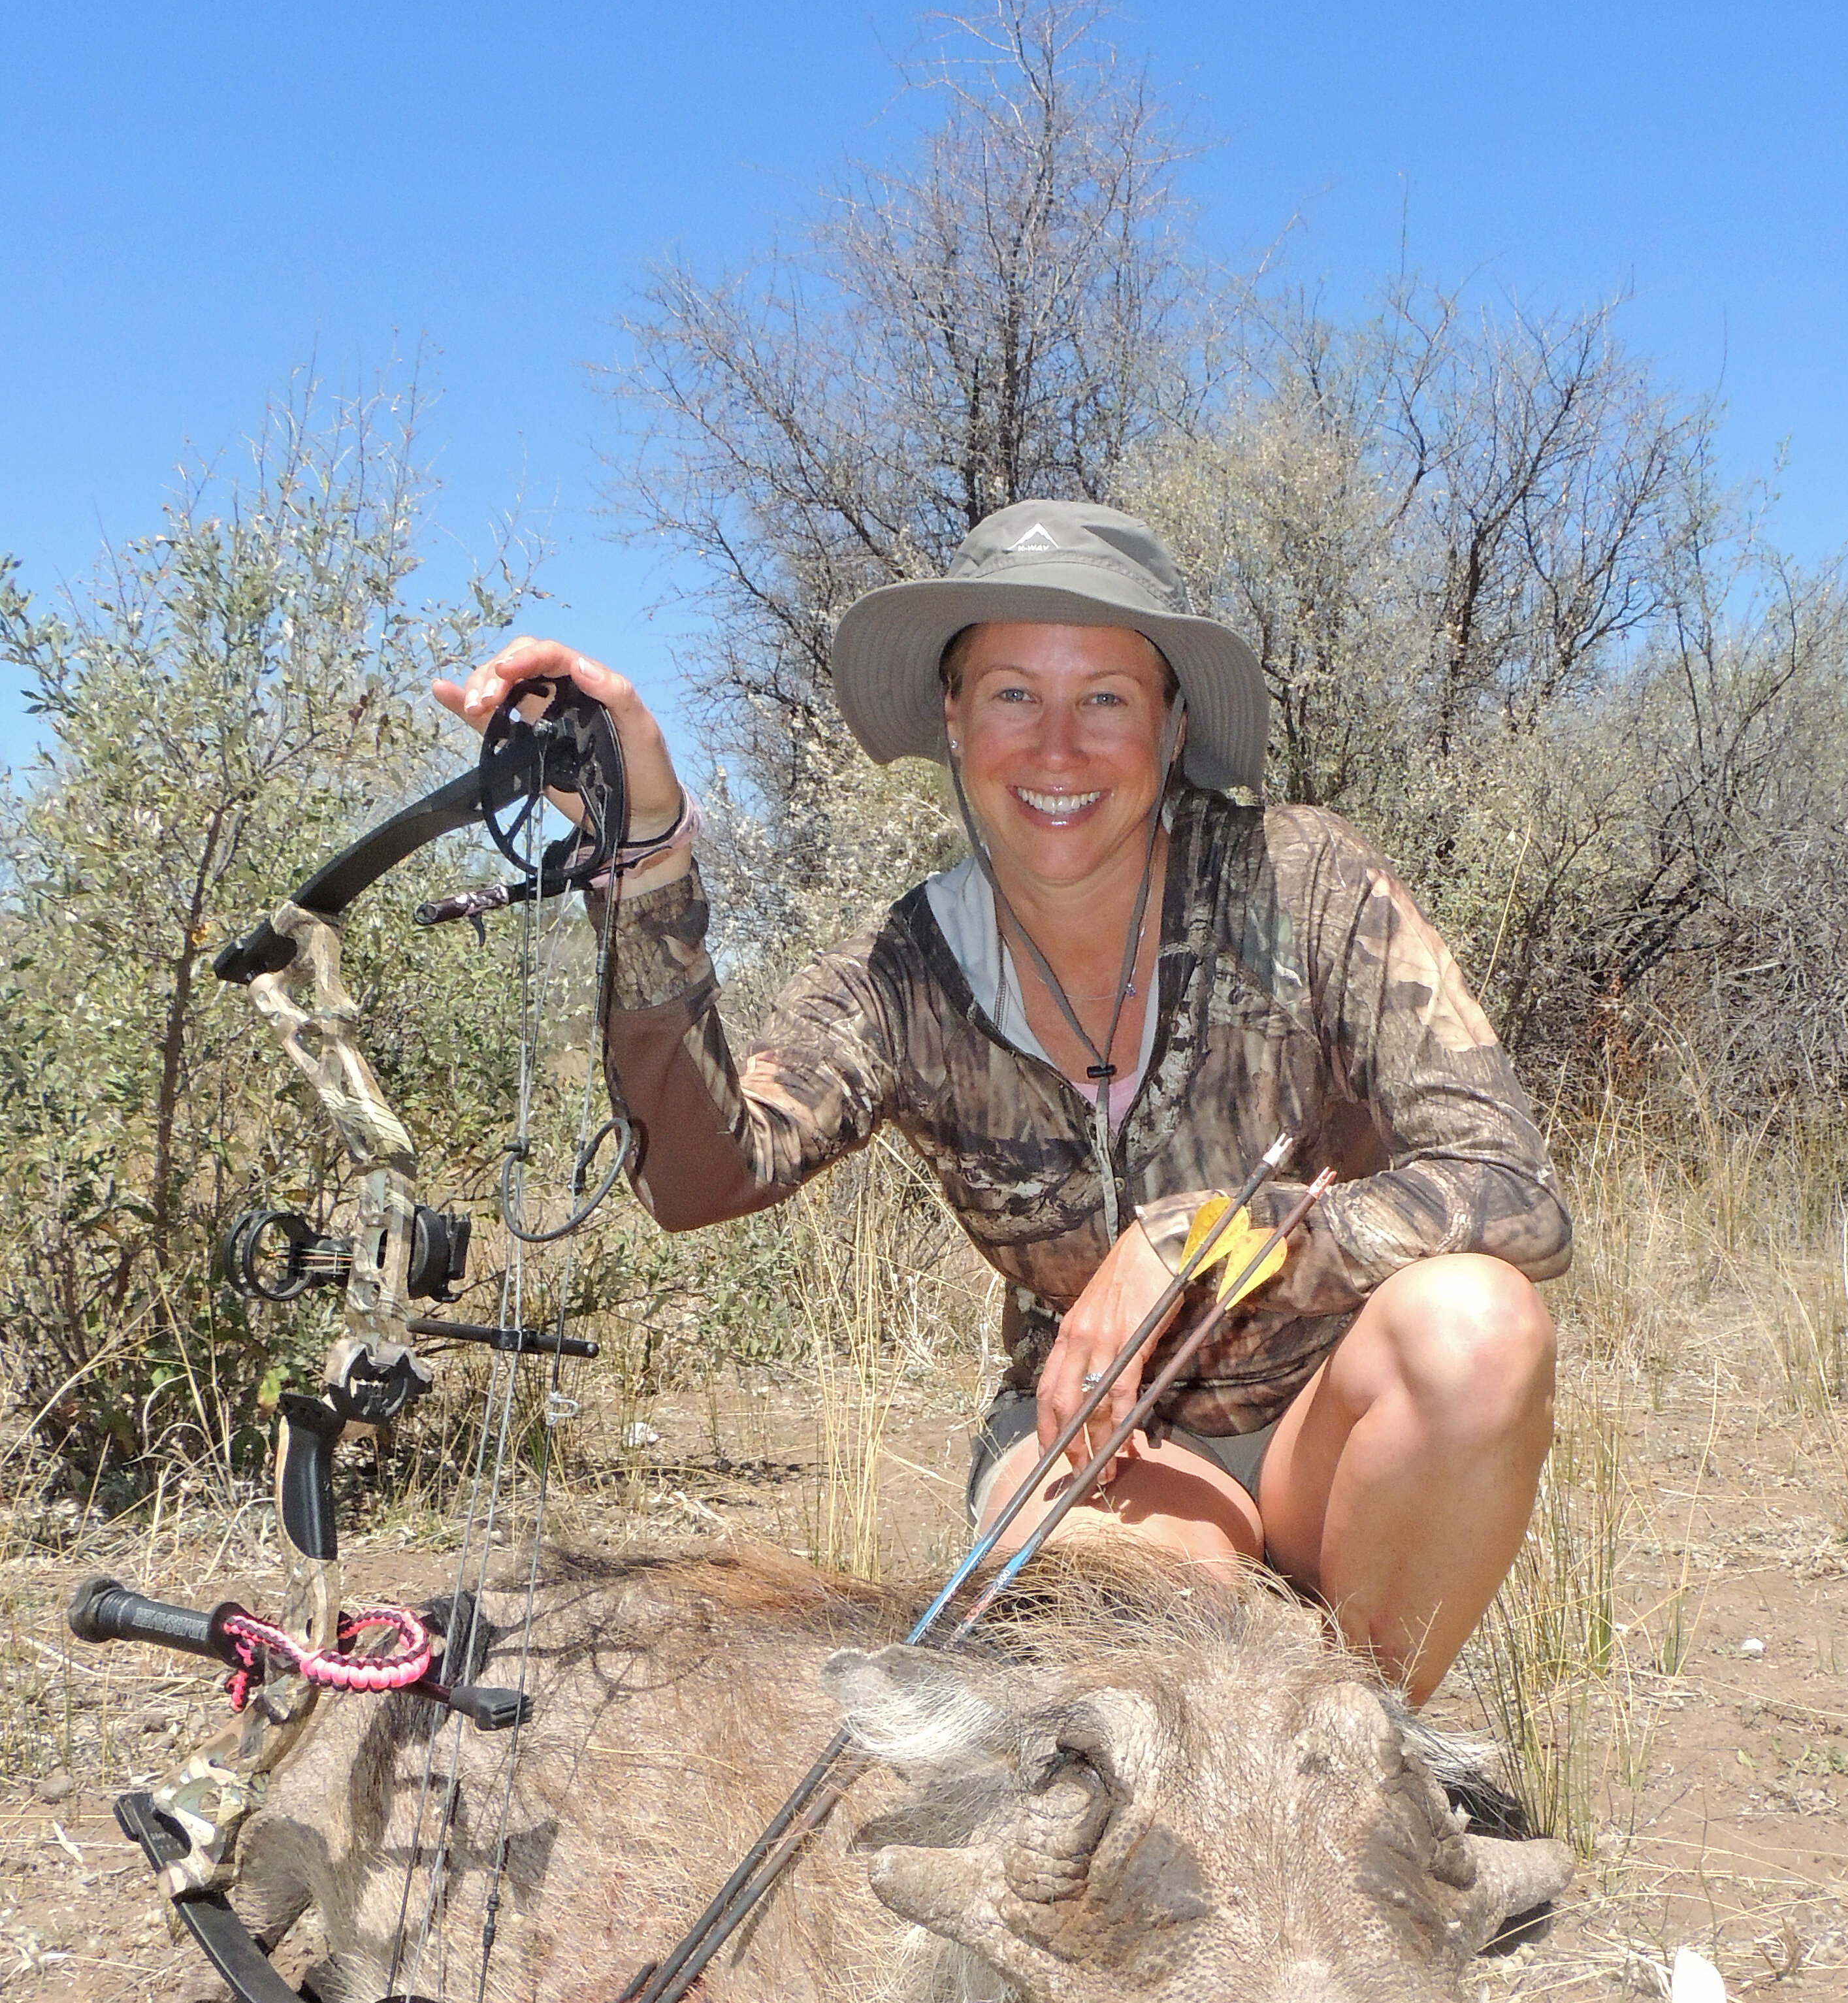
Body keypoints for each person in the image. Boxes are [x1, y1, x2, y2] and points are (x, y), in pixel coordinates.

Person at [433, 502, 1569, 1703]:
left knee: (1477, 1330)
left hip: (1339, 1434)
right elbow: (709, 1173)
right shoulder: (904, 973)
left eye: (1107, 700)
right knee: (1157, 1650)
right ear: (955, 718)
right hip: (1109, 1456)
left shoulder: (1307, 881)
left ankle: (1369, 1757)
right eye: (1016, 695)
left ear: (1173, 724)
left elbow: (1515, 1193)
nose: (1059, 748)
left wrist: (1201, 1240)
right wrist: (646, 852)